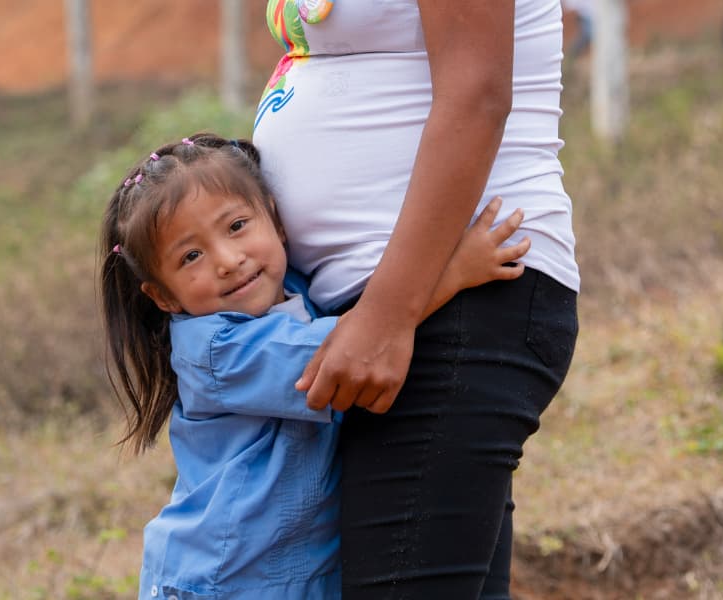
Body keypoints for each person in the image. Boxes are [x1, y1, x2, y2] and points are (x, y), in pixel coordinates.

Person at [101, 133, 530, 599]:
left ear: (276, 219)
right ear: (164, 296)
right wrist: (452, 273)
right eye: (191, 256)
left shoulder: (294, 291)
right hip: (222, 581)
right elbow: (348, 350)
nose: (228, 260)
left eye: (238, 225)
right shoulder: (216, 350)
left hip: (290, 576)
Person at [252, 0, 580, 597]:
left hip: (453, 297)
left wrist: (385, 316)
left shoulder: (397, 315)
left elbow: (477, 94)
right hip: (393, 310)